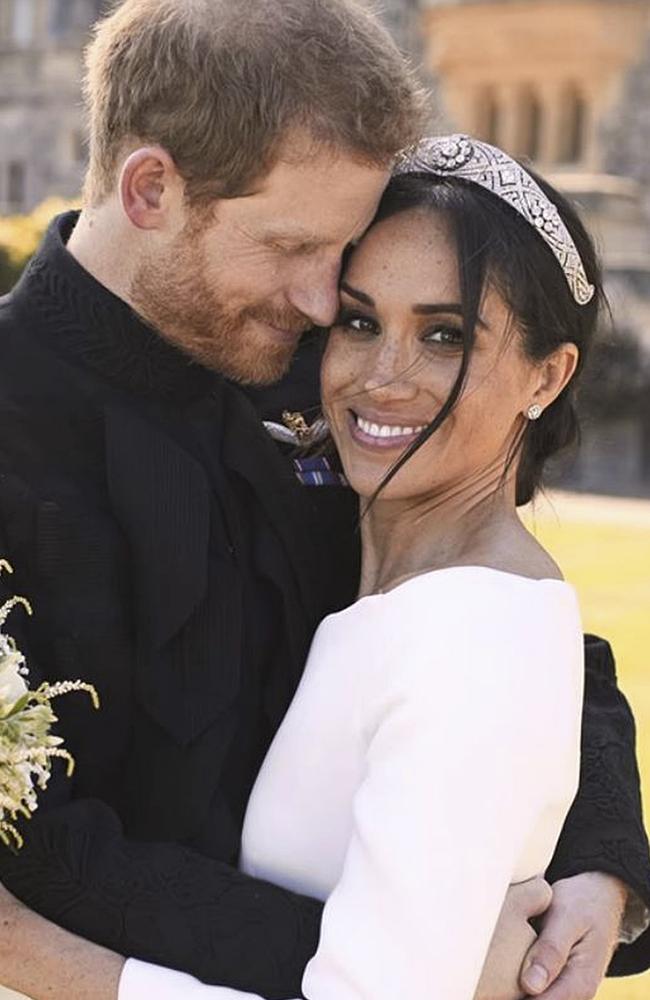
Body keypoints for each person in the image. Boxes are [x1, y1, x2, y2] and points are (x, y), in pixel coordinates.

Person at [0, 1, 648, 998]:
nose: (322, 300)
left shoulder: (330, 365)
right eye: (295, 247)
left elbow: (502, 611)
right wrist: (409, 956)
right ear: (149, 190)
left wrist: (603, 860)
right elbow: (44, 853)